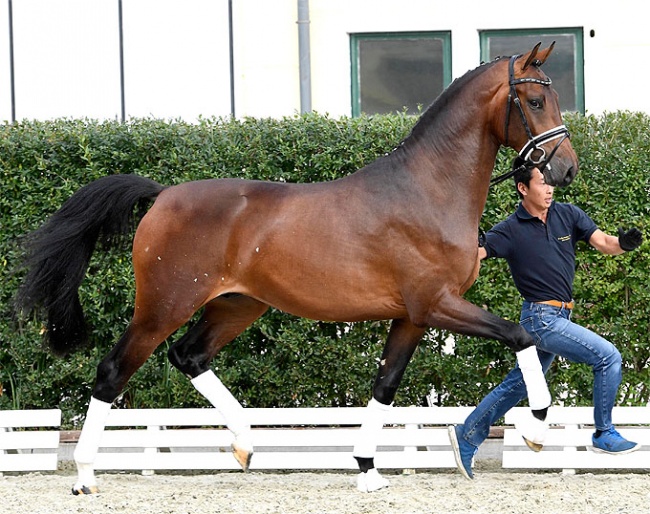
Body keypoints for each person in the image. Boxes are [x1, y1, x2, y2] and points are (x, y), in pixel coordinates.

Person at [448, 160, 644, 480]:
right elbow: (475, 256)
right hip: (541, 318)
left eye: (551, 181)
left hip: (560, 314)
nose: (550, 187)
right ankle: (604, 433)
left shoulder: (569, 215)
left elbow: (603, 242)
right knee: (608, 357)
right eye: (542, 182)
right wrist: (468, 240)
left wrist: (623, 244)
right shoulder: (509, 230)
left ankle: (466, 435)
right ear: (523, 188)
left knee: (518, 384)